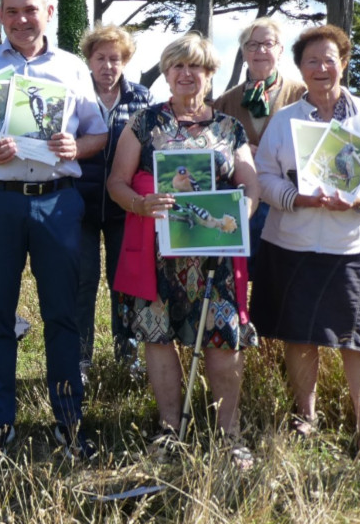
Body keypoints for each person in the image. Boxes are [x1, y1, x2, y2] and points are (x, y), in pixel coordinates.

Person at [0, 0, 108, 463]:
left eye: (30, 10)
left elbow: (98, 134)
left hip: (58, 204)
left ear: (50, 11)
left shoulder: (72, 67)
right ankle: (0, 427)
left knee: (62, 314)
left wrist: (75, 148)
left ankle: (68, 424)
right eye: (11, 11)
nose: (21, 19)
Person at [250, 24, 360, 462]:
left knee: (358, 341)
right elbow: (264, 177)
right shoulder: (285, 122)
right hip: (291, 242)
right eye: (312, 61)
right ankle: (306, 418)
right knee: (300, 338)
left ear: (344, 62)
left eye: (330, 58)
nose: (321, 68)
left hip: (350, 246)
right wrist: (293, 198)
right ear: (299, 68)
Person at [106, 31, 260, 468]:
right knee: (159, 339)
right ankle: (170, 430)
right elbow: (116, 181)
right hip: (158, 255)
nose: (185, 74)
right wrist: (139, 203)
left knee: (222, 340)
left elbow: (249, 183)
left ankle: (230, 435)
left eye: (195, 66)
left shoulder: (230, 128)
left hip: (216, 257)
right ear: (167, 74)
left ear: (209, 74)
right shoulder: (145, 123)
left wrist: (242, 213)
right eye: (177, 66)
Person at [74, 24, 151, 374]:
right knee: (82, 282)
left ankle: (128, 358)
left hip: (126, 208)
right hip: (80, 206)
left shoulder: (142, 98)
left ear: (126, 61)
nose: (107, 65)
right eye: (100, 58)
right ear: (88, 60)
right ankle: (81, 359)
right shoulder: (74, 94)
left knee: (125, 282)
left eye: (115, 59)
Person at [213, 18, 306, 275]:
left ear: (280, 50)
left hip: (285, 206)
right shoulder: (224, 102)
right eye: (252, 45)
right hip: (241, 204)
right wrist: (238, 152)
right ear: (243, 53)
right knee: (238, 279)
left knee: (279, 282)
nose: (260, 51)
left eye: (268, 44)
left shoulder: (303, 96)